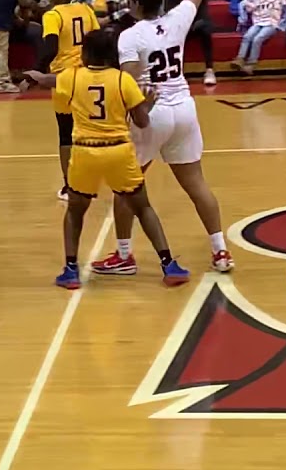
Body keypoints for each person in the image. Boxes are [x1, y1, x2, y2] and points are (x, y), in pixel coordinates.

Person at [95, 0, 233, 275]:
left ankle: (124, 255)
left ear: (137, 5)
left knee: (126, 186)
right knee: (196, 183)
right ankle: (220, 251)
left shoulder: (130, 36)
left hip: (151, 112)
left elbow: (127, 82)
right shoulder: (178, 19)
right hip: (184, 106)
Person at [27, 31, 188, 290]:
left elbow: (47, 80)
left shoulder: (73, 76)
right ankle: (168, 264)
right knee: (143, 207)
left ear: (85, 53)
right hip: (119, 152)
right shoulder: (124, 80)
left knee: (76, 211)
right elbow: (142, 122)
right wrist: (146, 104)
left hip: (85, 152)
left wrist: (31, 76)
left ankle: (70, 270)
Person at [35, 0, 100, 200]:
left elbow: (51, 47)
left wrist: (35, 72)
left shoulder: (53, 15)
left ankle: (70, 186)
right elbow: (97, 41)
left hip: (64, 79)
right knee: (88, 130)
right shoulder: (86, 10)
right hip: (88, 76)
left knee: (66, 134)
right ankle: (91, 182)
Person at [168, 0, 217, 85]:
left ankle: (209, 70)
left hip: (195, 25)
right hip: (179, 27)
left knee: (205, 29)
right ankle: (177, 72)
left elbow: (203, 14)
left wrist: (191, 25)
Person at [232, 0, 286, 74]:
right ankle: (240, 58)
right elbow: (243, 4)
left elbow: (285, 12)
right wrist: (243, 18)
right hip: (258, 22)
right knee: (247, 36)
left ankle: (251, 64)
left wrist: (282, 25)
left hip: (272, 23)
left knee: (258, 39)